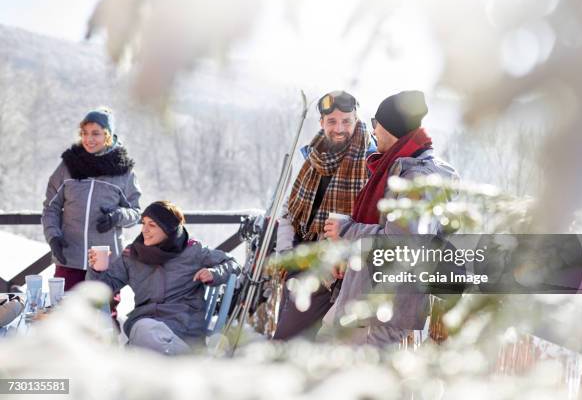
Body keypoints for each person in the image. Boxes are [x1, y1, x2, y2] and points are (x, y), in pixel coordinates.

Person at [323, 90, 460, 346]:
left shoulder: (419, 178)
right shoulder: (396, 166)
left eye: (377, 123)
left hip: (385, 310)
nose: (373, 131)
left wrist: (347, 230)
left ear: (392, 128)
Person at [273, 90, 375, 340]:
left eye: (346, 121)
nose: (339, 128)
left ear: (356, 119)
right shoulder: (314, 157)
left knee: (286, 343)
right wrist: (286, 254)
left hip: (334, 273)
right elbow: (289, 211)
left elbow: (371, 222)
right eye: (332, 121)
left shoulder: (370, 161)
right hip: (298, 264)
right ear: (321, 123)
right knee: (291, 342)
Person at [86, 201, 241, 355]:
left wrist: (214, 273)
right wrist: (96, 269)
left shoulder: (193, 251)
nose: (144, 230)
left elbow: (232, 264)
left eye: (152, 225)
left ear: (169, 229)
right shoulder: (133, 255)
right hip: (145, 328)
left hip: (182, 332)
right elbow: (102, 288)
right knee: (144, 331)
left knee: (142, 337)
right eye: (143, 223)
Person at [42, 107, 142, 291]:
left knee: (102, 316)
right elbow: (51, 208)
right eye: (84, 133)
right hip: (69, 258)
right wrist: (53, 236)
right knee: (65, 313)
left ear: (108, 135)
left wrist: (117, 216)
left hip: (105, 263)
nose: (89, 139)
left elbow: (136, 213)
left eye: (95, 133)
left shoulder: (124, 172)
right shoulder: (68, 166)